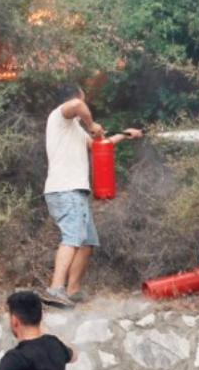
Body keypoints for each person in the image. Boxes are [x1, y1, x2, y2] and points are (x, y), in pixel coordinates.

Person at [43, 83, 143, 307]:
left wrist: (124, 135)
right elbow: (77, 106)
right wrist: (92, 124)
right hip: (65, 189)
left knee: (87, 241)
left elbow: (98, 145)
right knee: (72, 237)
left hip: (76, 191)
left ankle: (73, 290)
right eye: (83, 98)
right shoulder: (60, 116)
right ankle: (55, 289)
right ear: (76, 97)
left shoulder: (75, 128)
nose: (84, 103)